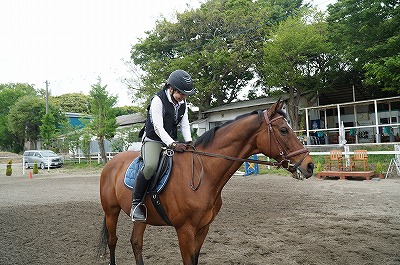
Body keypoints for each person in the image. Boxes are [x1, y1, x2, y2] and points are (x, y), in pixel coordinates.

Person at [130, 69, 195, 222]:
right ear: (171, 89)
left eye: (185, 95)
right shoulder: (158, 100)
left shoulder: (182, 102)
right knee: (151, 166)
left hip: (172, 140)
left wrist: (189, 141)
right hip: (153, 139)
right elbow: (158, 127)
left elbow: (185, 124)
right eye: (181, 94)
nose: (183, 97)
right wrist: (172, 144)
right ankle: (136, 203)